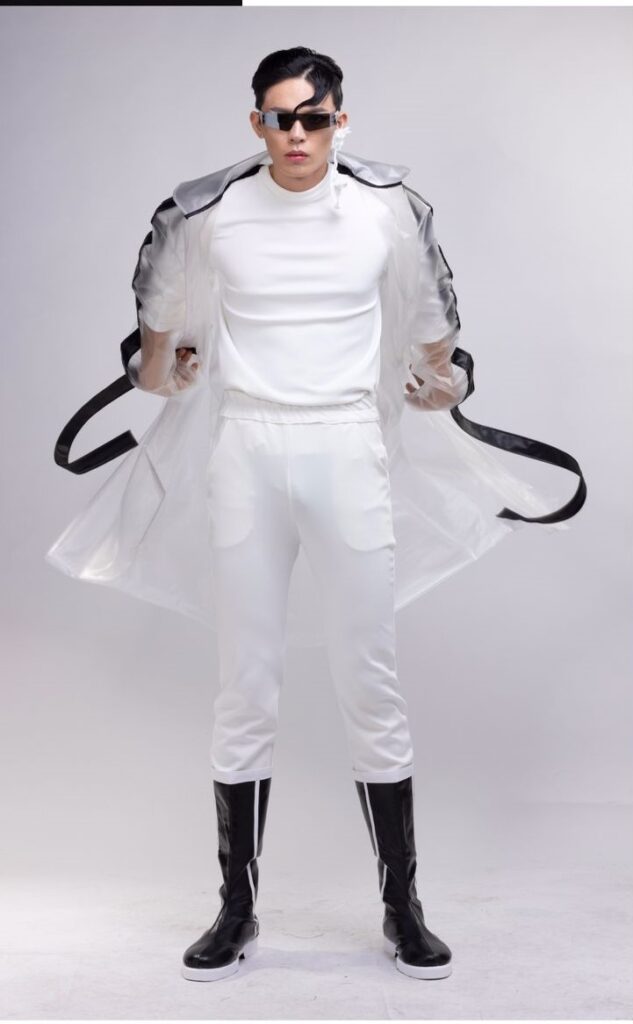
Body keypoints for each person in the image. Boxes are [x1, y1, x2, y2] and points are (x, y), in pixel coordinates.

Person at [45, 45, 586, 984]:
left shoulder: (386, 209)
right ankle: (235, 907)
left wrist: (441, 383)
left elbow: (433, 331)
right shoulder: (207, 214)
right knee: (243, 683)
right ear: (255, 122)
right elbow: (157, 347)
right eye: (279, 117)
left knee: (369, 677)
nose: (296, 134)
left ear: (342, 118)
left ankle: (402, 907)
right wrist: (162, 371)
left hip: (346, 446)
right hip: (247, 450)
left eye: (314, 117)